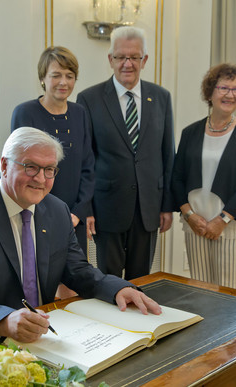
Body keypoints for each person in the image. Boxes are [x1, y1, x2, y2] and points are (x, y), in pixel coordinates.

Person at [0, 127, 161, 344]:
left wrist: (118, 288)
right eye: (30, 167)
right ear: (4, 165)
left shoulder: (57, 210)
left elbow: (78, 271)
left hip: (40, 334)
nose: (40, 179)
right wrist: (3, 321)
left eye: (49, 169)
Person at [77, 26, 174, 280]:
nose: (127, 64)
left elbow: (167, 154)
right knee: (107, 281)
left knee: (141, 281)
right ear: (111, 60)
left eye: (134, 57)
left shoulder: (161, 97)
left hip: (148, 209)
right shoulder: (89, 99)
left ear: (145, 60)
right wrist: (86, 208)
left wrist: (166, 206)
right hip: (106, 207)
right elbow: (85, 159)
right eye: (120, 57)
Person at [171, 63, 236, 290]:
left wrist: (221, 221)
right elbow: (177, 178)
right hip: (195, 224)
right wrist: (190, 216)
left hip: (231, 227)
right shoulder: (190, 132)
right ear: (210, 93)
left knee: (228, 296)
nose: (230, 95)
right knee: (201, 291)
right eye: (223, 88)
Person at [11, 46, 93, 258]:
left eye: (70, 76)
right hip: (37, 215)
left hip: (74, 218)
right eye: (56, 75)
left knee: (75, 282)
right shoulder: (25, 113)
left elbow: (88, 167)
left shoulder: (80, 113)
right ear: (43, 78)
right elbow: (20, 170)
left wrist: (77, 213)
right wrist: (52, 215)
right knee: (40, 282)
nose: (63, 82)